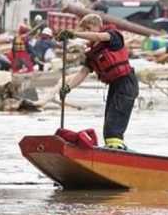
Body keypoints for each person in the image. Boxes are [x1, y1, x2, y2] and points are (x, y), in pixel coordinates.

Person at [58, 14, 139, 150]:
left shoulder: (112, 36)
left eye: (88, 29)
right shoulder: (93, 53)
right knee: (108, 126)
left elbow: (98, 37)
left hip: (126, 82)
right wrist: (67, 87)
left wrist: (74, 34)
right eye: (85, 30)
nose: (87, 34)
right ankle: (113, 148)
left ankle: (116, 150)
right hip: (115, 85)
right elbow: (82, 73)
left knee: (114, 126)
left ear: (98, 26)